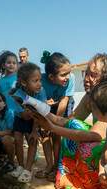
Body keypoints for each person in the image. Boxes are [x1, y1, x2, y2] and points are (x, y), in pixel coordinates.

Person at [30, 53, 107, 189]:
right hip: (101, 141)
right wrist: (43, 113)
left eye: (93, 75)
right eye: (85, 73)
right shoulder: (90, 97)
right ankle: (74, 176)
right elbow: (70, 121)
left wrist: (53, 127)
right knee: (73, 127)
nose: (86, 79)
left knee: (89, 145)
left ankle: (93, 182)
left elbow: (94, 135)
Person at [35, 51, 75, 182]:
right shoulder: (40, 81)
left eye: (69, 72)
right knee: (44, 134)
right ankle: (49, 166)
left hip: (63, 105)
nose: (68, 77)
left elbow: (64, 101)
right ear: (51, 77)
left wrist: (55, 124)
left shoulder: (71, 79)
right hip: (44, 105)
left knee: (57, 134)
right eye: (63, 75)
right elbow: (39, 103)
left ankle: (58, 167)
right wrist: (45, 123)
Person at [9, 62, 47, 183]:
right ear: (24, 83)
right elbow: (18, 111)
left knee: (32, 141)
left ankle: (28, 170)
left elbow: (39, 113)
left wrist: (35, 130)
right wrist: (22, 113)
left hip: (35, 119)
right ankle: (20, 166)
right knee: (18, 140)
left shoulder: (41, 92)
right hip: (20, 117)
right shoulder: (17, 93)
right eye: (35, 81)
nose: (39, 84)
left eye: (40, 80)